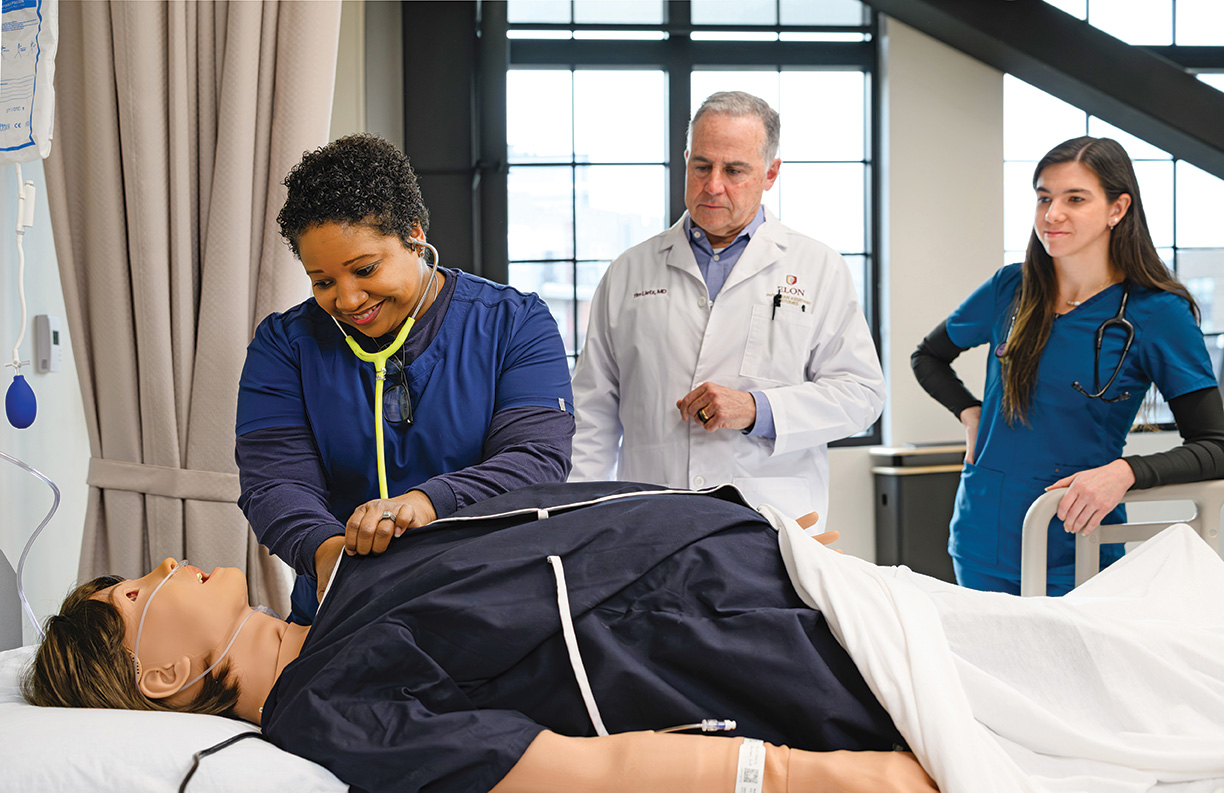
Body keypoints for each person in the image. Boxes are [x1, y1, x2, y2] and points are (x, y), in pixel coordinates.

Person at [22, 481, 965, 793]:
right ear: (160, 678)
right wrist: (835, 776)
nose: (165, 563)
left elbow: (553, 523)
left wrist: (742, 531)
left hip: (779, 569)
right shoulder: (330, 712)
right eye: (138, 592)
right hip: (766, 648)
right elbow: (592, 769)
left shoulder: (350, 577)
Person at [236, 134, 574, 623]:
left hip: (490, 605)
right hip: (343, 609)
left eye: (365, 269)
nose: (348, 300)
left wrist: (425, 503)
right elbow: (274, 482)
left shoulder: (514, 324)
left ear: (415, 235)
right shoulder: (284, 347)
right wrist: (330, 557)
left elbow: (535, 460)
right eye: (324, 282)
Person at [912, 135, 1224, 595]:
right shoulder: (1009, 289)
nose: (1052, 214)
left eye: (1075, 199)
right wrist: (970, 412)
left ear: (1118, 209)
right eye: (1044, 198)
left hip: (1077, 548)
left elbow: (1215, 445)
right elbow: (928, 357)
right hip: (980, 538)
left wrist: (1125, 472)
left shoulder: (1157, 313)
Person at [569, 92, 884, 527]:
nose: (713, 185)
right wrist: (576, 520)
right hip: (650, 514)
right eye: (701, 166)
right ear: (685, 160)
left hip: (770, 522)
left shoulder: (817, 267)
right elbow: (592, 416)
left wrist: (758, 410)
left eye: (734, 170)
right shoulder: (630, 271)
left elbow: (862, 395)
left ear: (770, 173)